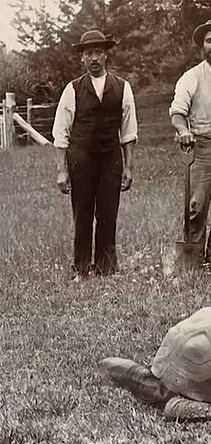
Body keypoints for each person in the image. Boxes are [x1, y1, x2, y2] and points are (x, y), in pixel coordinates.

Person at [53, 29, 138, 280]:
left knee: (108, 212)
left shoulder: (123, 88)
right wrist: (61, 169)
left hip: (111, 157)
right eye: (89, 53)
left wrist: (129, 167)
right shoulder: (73, 89)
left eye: (98, 52)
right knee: (82, 213)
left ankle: (106, 268)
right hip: (81, 157)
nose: (94, 58)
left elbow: (129, 131)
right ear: (82, 58)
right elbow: (61, 131)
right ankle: (81, 268)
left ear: (106, 56)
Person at [170, 19, 211, 264]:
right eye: (209, 41)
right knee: (196, 205)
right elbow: (177, 112)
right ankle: (193, 259)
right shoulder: (192, 77)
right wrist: (183, 130)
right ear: (202, 46)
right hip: (202, 146)